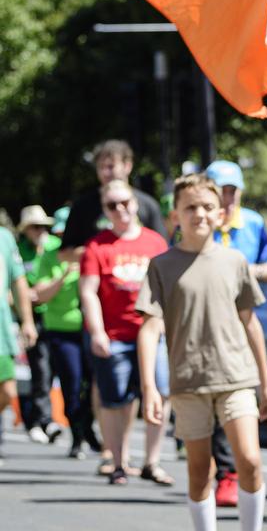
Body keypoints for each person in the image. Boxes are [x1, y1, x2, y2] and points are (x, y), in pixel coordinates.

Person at [137, 173, 267, 531]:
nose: (200, 213)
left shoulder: (235, 261)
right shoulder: (162, 266)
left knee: (249, 460)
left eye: (208, 207)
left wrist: (266, 383)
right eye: (191, 207)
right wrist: (150, 387)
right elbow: (150, 328)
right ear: (175, 217)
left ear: (221, 215)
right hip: (188, 383)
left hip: (236, 377)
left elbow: (251, 324)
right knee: (200, 471)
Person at [79, 180, 172, 485]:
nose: (120, 210)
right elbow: (89, 292)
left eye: (125, 202)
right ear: (105, 210)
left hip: (153, 332)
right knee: (115, 400)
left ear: (135, 203)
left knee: (161, 392)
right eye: (112, 205)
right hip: (115, 335)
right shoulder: (97, 246)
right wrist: (97, 331)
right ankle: (118, 462)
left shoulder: (155, 242)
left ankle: (152, 461)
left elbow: (169, 289)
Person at [205, 159, 267, 507]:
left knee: (240, 394)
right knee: (217, 393)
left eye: (233, 191)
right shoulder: (202, 223)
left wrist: (248, 270)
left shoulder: (254, 223)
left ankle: (235, 469)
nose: (228, 198)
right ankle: (224, 472)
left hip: (243, 319)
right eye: (221, 191)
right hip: (208, 325)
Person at [31, 230, 98, 459]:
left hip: (91, 330)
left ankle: (87, 426)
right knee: (71, 383)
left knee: (94, 386)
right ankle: (77, 437)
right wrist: (63, 276)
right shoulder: (50, 256)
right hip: (61, 331)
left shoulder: (91, 253)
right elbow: (40, 296)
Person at [60, 139, 167, 264]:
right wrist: (98, 253)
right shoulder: (82, 206)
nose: (105, 172)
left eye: (111, 166)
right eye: (100, 167)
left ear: (127, 166)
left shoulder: (148, 205)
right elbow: (64, 254)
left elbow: (163, 250)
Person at [16, 205, 62, 444]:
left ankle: (37, 418)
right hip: (32, 317)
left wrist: (40, 291)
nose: (40, 231)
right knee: (39, 368)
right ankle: (43, 419)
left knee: (53, 369)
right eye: (34, 227)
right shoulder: (19, 252)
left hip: (58, 315)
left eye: (43, 226)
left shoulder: (56, 247)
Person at [0, 224, 38, 465]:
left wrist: (27, 321)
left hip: (1, 328)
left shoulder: (4, 237)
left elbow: (19, 282)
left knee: (8, 391)